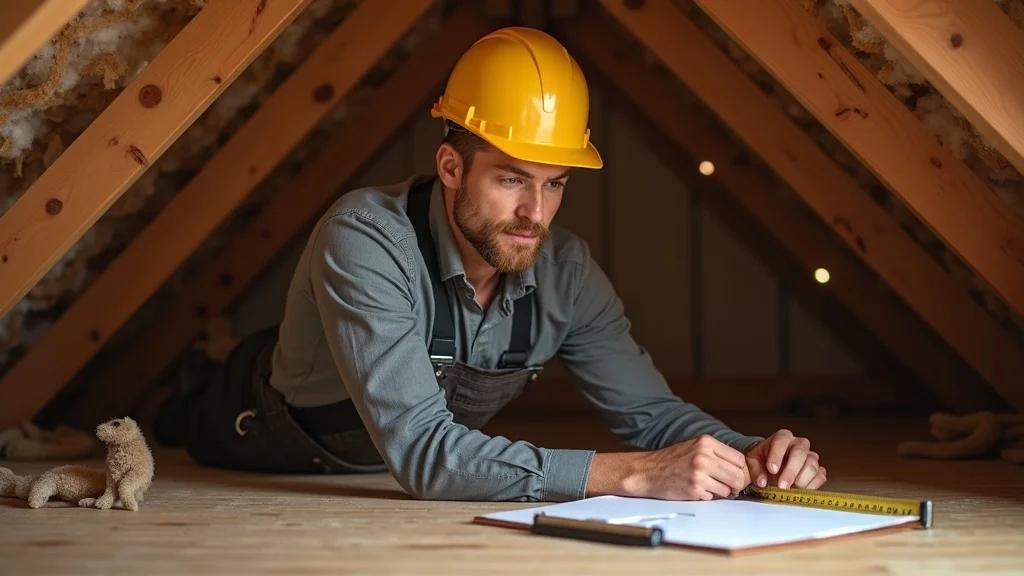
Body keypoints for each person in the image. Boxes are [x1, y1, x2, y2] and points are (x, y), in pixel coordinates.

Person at [155, 26, 826, 502]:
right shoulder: (362, 236)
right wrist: (629, 475)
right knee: (179, 414)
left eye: (555, 183)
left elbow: (652, 418)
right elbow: (422, 452)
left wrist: (754, 450)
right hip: (262, 423)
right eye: (511, 179)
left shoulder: (567, 272)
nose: (536, 210)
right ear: (450, 167)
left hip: (379, 447)